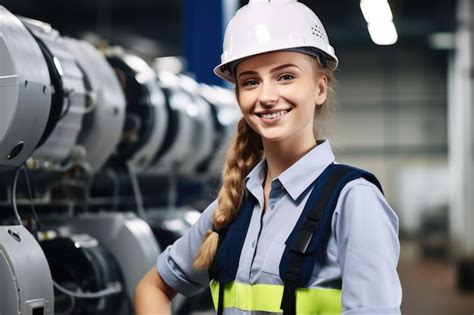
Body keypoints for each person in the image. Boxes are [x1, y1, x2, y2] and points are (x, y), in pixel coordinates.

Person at [135, 0, 402, 314]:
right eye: (250, 81)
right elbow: (152, 287)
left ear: (320, 87)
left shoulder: (354, 202)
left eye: (286, 76)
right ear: (237, 95)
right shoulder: (229, 209)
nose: (266, 96)